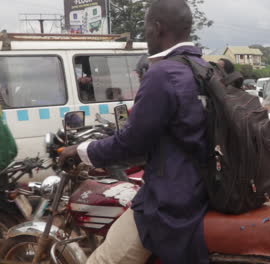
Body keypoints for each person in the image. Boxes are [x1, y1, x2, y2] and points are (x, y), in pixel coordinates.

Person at [59, 0, 210, 263]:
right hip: (206, 190)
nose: (146, 34)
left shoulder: (162, 73)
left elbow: (132, 143)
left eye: (146, 27)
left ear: (157, 27)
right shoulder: (205, 70)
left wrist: (81, 150)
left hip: (172, 201)